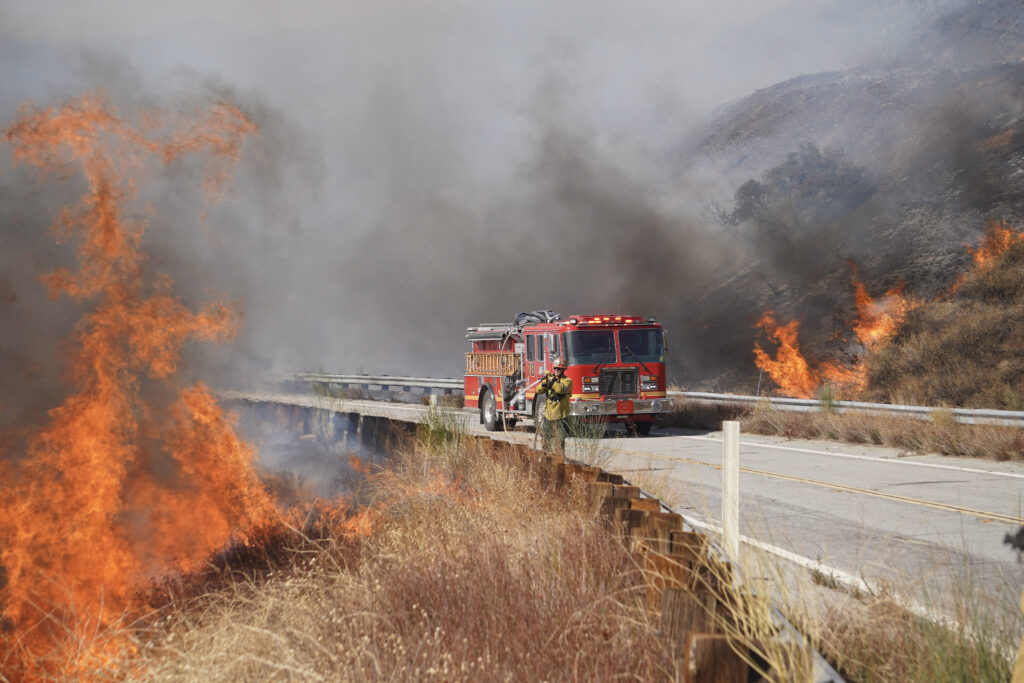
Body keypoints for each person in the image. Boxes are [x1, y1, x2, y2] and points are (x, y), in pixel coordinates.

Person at [537, 357, 572, 454]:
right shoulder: (550, 380)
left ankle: (560, 462)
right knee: (545, 441)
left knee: (559, 442)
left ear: (563, 370)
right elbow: (538, 390)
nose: (556, 370)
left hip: (560, 417)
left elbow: (560, 389)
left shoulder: (567, 381)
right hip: (548, 416)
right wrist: (544, 383)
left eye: (559, 369)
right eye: (555, 368)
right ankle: (546, 461)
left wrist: (552, 381)